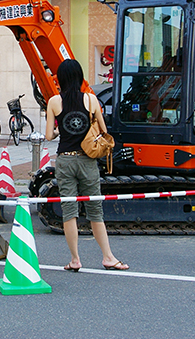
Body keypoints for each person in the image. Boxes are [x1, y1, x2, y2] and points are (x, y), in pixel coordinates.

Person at [45, 59, 128, 272]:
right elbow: (103, 130)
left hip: (65, 159)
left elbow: (48, 135)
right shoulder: (91, 100)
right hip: (87, 160)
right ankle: (108, 257)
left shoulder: (54, 101)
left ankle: (75, 260)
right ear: (80, 77)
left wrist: (59, 131)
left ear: (61, 79)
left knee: (69, 211)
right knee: (95, 210)